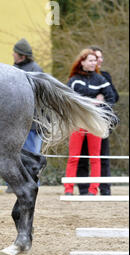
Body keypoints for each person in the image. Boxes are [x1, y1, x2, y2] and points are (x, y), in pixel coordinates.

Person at [63, 48, 115, 196]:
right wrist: (91, 102)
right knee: (73, 157)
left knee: (95, 158)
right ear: (83, 62)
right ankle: (68, 188)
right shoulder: (73, 81)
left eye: (94, 61)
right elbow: (68, 101)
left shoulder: (101, 80)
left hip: (95, 123)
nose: (94, 63)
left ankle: (93, 189)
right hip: (78, 123)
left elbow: (111, 99)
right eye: (91, 60)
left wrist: (102, 104)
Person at [76, 46, 119, 196]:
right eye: (95, 58)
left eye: (99, 58)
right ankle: (83, 189)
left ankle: (105, 189)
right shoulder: (78, 78)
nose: (98, 60)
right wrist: (93, 100)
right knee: (82, 157)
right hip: (82, 124)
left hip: (100, 123)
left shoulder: (104, 76)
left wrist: (101, 105)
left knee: (102, 157)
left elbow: (114, 97)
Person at [6, 38, 45, 193]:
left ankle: (31, 183)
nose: (13, 55)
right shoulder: (13, 69)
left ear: (21, 55)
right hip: (15, 122)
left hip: (33, 122)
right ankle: (15, 183)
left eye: (15, 53)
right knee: (15, 155)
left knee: (31, 155)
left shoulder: (36, 70)